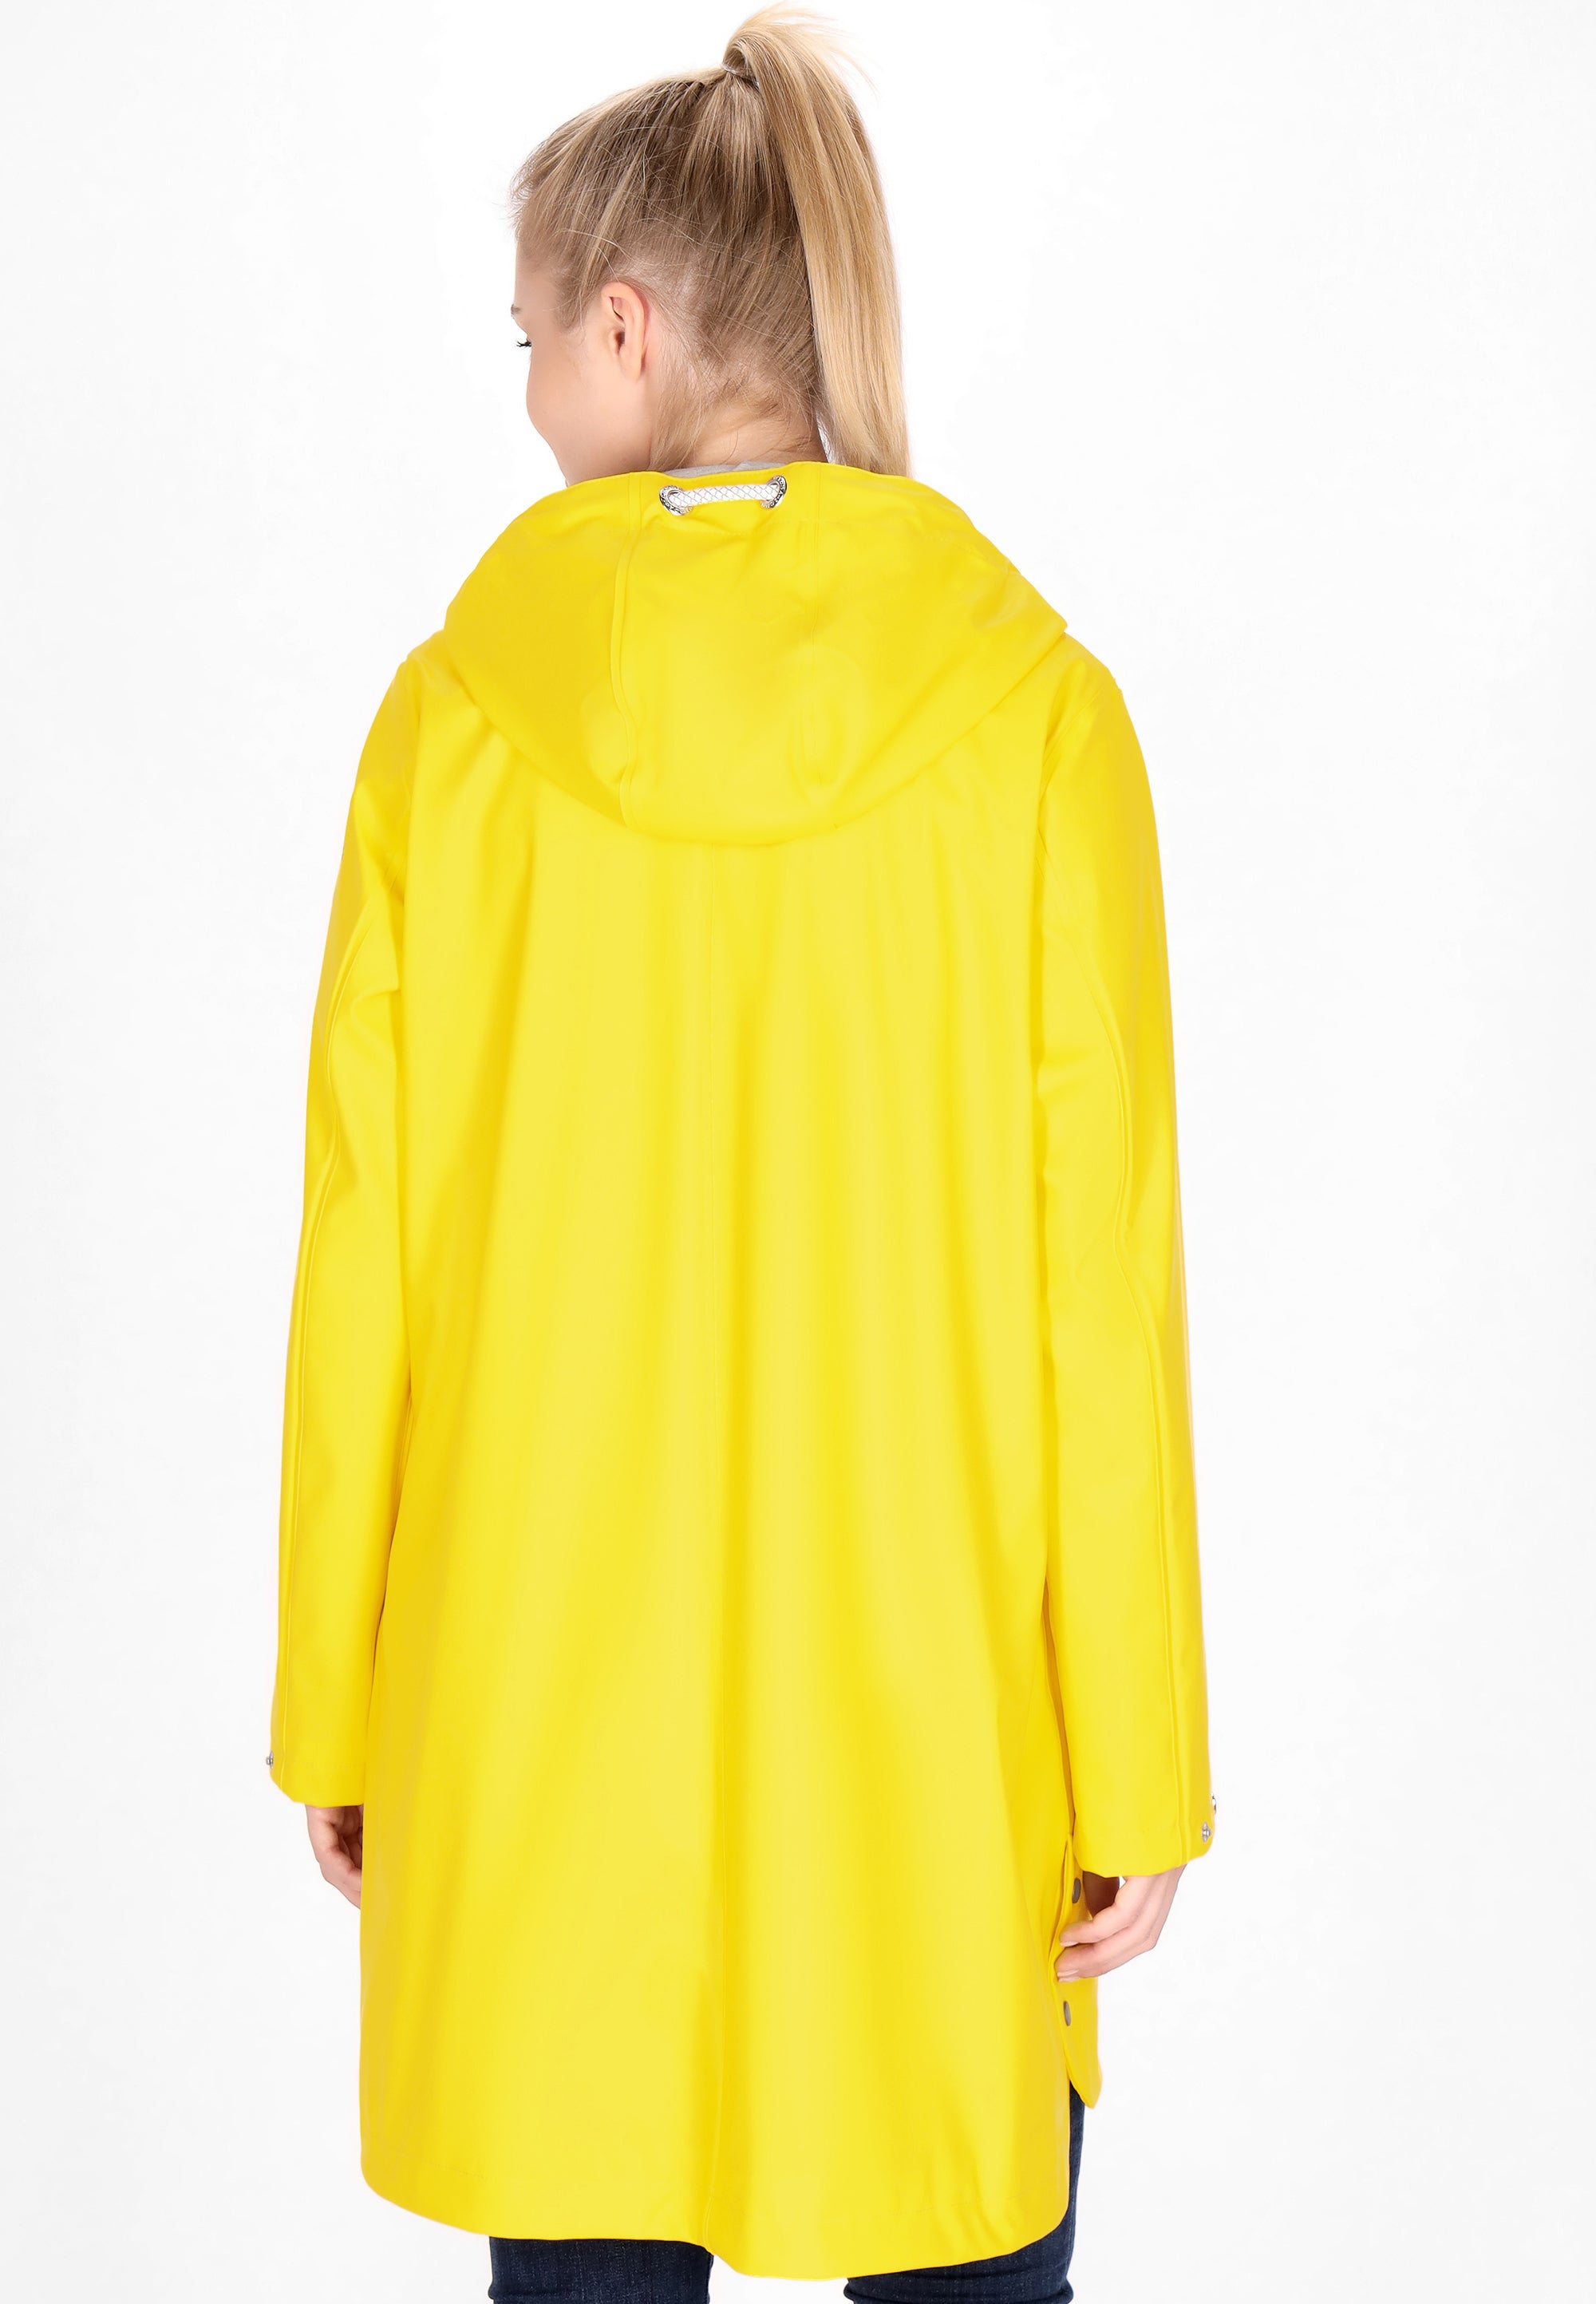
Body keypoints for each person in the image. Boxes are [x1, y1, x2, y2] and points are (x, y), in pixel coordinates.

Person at [267, 10, 1215, 2300]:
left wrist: (339, 1703)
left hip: (530, 1714)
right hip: (930, 1737)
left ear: (625, 329)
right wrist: (1136, 1761)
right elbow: (1102, 1289)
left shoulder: (450, 728)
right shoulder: (1036, 720)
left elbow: (363, 1252)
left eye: (527, 335)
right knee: (958, 2212)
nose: (521, 389)